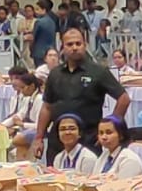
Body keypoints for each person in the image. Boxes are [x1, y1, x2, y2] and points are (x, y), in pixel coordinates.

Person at [33, 26, 128, 162]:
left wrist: (109, 128)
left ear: (85, 45)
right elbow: (47, 107)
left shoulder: (98, 71)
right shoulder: (55, 73)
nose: (74, 47)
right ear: (62, 47)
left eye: (78, 43)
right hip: (58, 140)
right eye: (70, 44)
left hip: (88, 139)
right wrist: (39, 138)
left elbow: (124, 98)